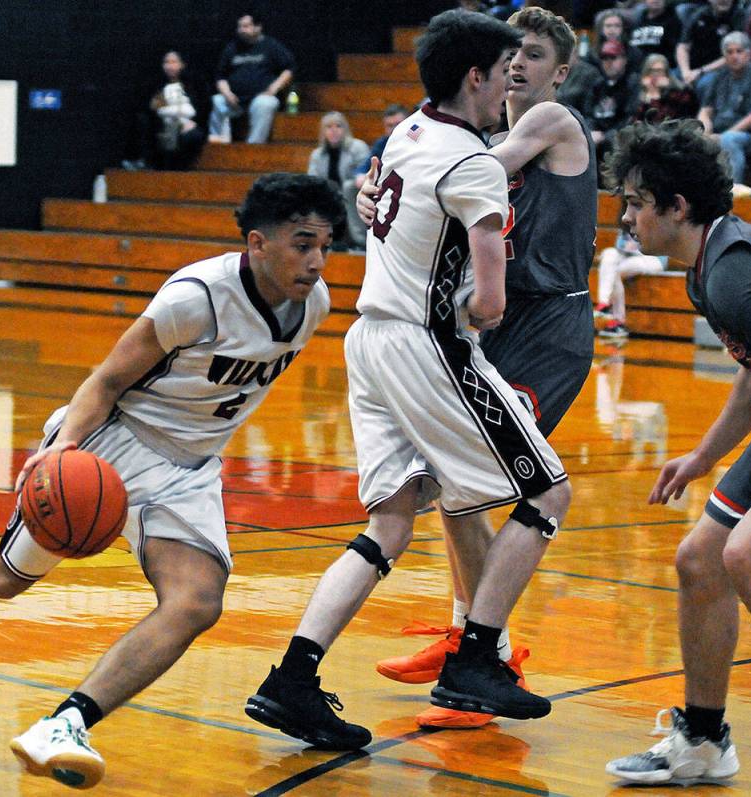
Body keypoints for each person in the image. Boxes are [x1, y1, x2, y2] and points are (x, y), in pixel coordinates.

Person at [0, 173, 346, 788]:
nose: (316, 261)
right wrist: (62, 449)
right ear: (256, 243)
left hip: (188, 469)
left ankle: (65, 724)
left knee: (196, 602)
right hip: (111, 443)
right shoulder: (195, 298)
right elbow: (107, 381)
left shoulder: (317, 304)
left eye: (325, 245)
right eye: (302, 244)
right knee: (5, 579)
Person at [245, 9, 573, 752]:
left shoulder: (406, 134)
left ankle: (292, 677)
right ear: (475, 76)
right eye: (503, 70)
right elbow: (489, 302)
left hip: (368, 340)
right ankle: (476, 657)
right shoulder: (475, 161)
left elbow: (379, 205)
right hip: (427, 345)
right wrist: (479, 307)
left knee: (390, 523)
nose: (509, 84)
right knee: (548, 489)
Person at [365, 6, 599, 729]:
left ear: (559, 71)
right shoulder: (478, 138)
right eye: (513, 55)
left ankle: (486, 648)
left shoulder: (551, 123)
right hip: (488, 321)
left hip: (548, 326)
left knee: (513, 486)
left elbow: (456, 174)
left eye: (534, 55)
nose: (520, 65)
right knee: (453, 486)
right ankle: (470, 636)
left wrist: (388, 179)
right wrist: (379, 186)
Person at [602, 119, 751, 787]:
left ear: (678, 208)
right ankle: (702, 741)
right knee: (700, 559)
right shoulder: (706, 270)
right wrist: (702, 456)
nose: (627, 217)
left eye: (637, 203)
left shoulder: (734, 277)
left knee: (746, 552)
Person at [208, 12, 295, 144]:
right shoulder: (232, 48)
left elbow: (289, 69)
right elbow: (220, 77)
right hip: (235, 100)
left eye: (246, 26)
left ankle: (253, 147)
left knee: (265, 103)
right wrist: (227, 93)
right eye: (240, 26)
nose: (242, 30)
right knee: (217, 100)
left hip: (260, 97)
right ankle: (219, 145)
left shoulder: (271, 45)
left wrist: (274, 88)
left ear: (258, 27)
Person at [697, 32, 751, 191]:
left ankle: (731, 194)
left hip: (750, 135)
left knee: (730, 140)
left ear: (748, 54)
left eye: (739, 51)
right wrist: (706, 134)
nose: (735, 56)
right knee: (692, 139)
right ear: (724, 56)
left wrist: (719, 138)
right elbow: (706, 111)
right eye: (730, 52)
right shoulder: (718, 77)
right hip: (718, 132)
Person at [122, 50, 208, 171]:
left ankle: (182, 169)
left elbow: (197, 109)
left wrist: (190, 123)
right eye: (166, 62)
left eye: (174, 62)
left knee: (194, 135)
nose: (170, 66)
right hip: (163, 123)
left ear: (182, 64)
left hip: (187, 125)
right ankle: (146, 163)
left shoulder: (192, 84)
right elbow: (154, 108)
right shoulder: (157, 84)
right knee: (143, 122)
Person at [344, 105, 410, 248]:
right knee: (350, 187)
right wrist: (360, 176)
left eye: (398, 125)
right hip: (382, 188)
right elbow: (365, 166)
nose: (393, 130)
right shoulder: (382, 143)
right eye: (389, 126)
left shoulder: (417, 143)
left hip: (407, 188)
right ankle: (361, 242)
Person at [593, 222, 667, 339]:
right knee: (608, 254)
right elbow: (620, 244)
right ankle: (604, 304)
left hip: (652, 258)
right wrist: (627, 247)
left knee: (615, 271)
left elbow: (660, 246)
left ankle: (618, 321)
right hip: (628, 256)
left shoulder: (655, 216)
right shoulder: (628, 217)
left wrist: (638, 247)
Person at [306, 111, 369, 250]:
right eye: (329, 127)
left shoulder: (358, 147)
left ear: (345, 129)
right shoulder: (317, 154)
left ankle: (360, 241)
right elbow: (312, 180)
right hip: (331, 198)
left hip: (353, 196)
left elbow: (364, 174)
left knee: (348, 187)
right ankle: (319, 241)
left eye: (338, 126)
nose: (334, 131)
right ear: (323, 131)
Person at [584, 39, 642, 172]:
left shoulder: (632, 84)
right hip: (597, 135)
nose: (608, 62)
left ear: (624, 59)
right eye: (604, 58)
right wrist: (591, 132)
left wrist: (605, 136)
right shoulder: (597, 85)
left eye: (613, 57)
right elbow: (588, 113)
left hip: (618, 136)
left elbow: (631, 116)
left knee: (613, 143)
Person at [676, 0, 749, 101]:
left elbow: (734, 55)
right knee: (670, 79)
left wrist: (700, 71)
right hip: (692, 68)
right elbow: (683, 46)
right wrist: (685, 72)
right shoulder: (699, 14)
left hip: (720, 69)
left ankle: (704, 115)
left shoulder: (739, 16)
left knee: (704, 84)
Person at [630, 53, 700, 125]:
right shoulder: (637, 91)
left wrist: (659, 95)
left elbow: (664, 120)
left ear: (666, 73)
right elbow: (636, 121)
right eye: (652, 71)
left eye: (659, 71)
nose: (655, 75)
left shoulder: (680, 93)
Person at [630, 0, 686, 68]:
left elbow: (676, 51)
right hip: (637, 68)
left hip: (663, 69)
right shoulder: (638, 20)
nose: (656, 0)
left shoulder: (673, 20)